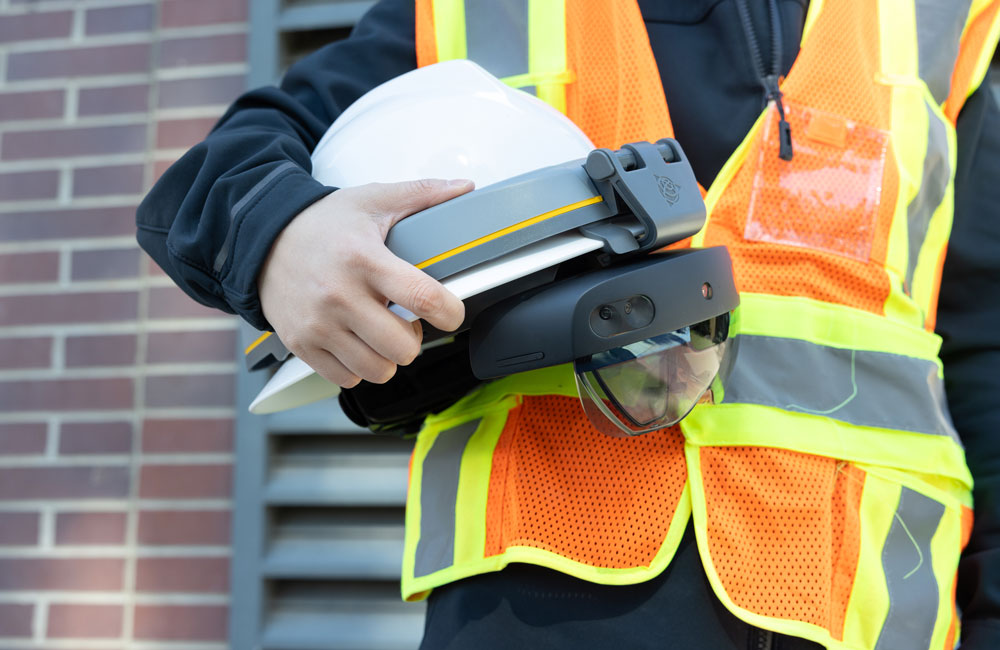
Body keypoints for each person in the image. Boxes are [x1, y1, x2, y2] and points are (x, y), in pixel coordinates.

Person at [137, 1, 1000, 648]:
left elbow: (987, 357)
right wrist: (282, 234)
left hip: (874, 609)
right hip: (546, 603)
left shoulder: (945, 19)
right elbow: (233, 159)